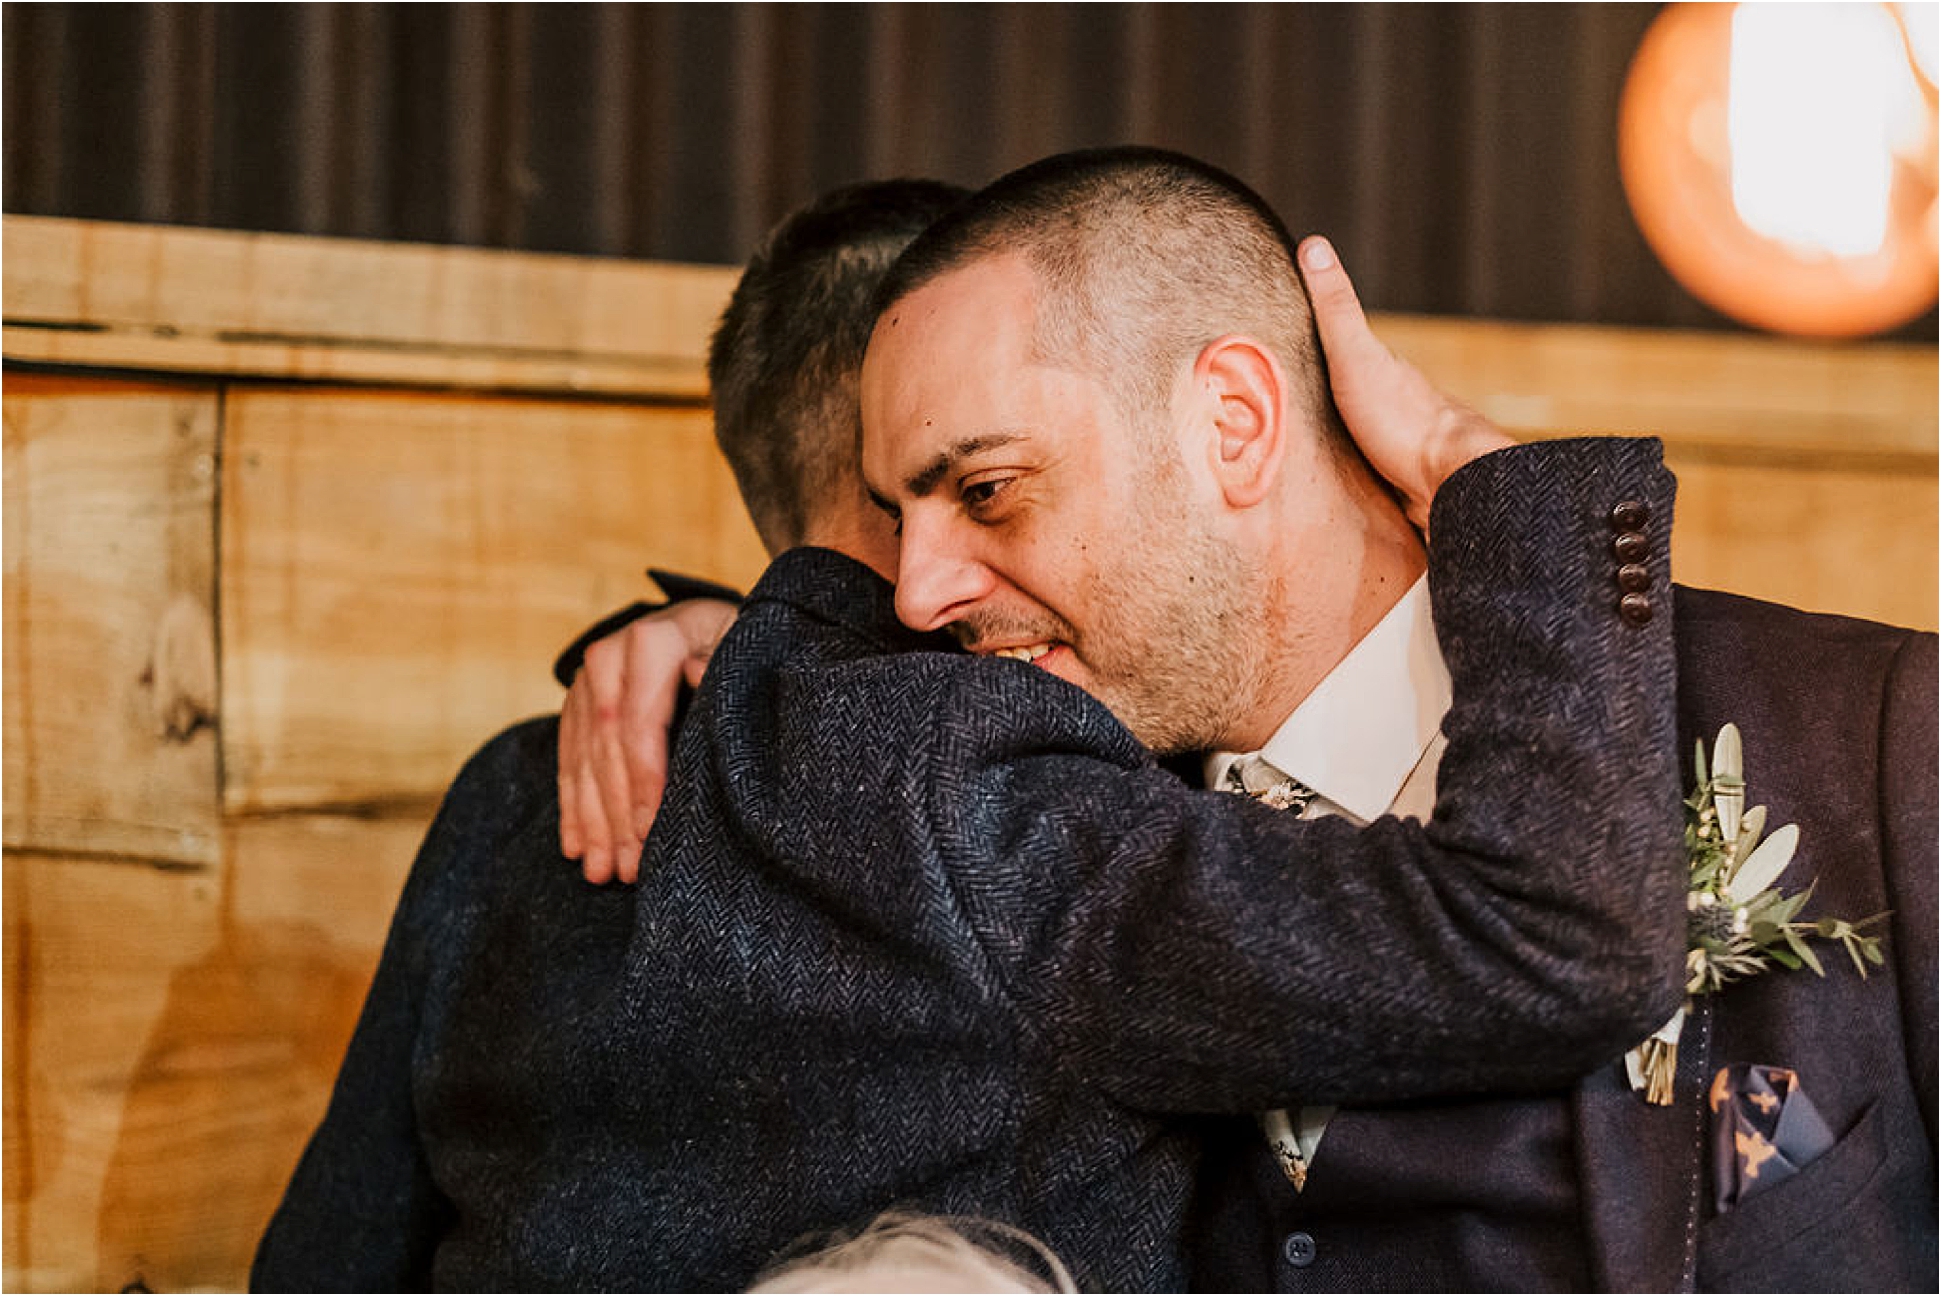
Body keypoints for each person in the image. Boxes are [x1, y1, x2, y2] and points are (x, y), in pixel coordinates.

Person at [254, 169, 1691, 1291]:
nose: (952, 583)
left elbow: (326, 1265)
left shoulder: (524, 789)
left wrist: (715, 631)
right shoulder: (981, 781)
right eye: (954, 494)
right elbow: (1542, 935)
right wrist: (1492, 488)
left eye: (994, 492)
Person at [562, 148, 1936, 1291]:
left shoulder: (1874, 736)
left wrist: (1488, 482)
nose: (916, 595)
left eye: (984, 492)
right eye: (897, 518)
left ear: (1229, 419)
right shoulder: (1023, 824)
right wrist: (732, 639)